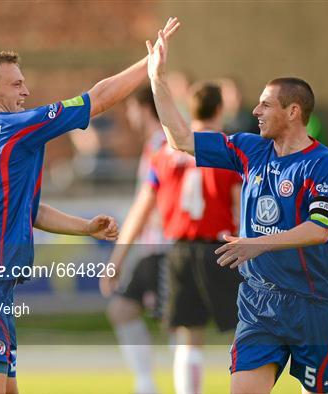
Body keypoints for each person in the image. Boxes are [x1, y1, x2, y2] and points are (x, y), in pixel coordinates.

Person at [0, 17, 180, 394]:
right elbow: (96, 99)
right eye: (15, 84)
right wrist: (147, 68)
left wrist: (84, 227)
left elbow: (27, 210)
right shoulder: (12, 128)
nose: (26, 90)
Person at [146, 30, 328, 394]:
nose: (255, 111)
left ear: (293, 111)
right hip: (260, 304)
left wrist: (259, 244)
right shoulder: (249, 150)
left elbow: (319, 229)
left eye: (265, 105)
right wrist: (157, 80)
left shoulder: (324, 165)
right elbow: (181, 138)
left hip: (315, 307)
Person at [102, 82, 243, 394]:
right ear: (220, 110)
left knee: (188, 338)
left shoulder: (164, 152)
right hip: (224, 248)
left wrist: (117, 259)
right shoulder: (229, 150)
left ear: (187, 112)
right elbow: (239, 205)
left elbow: (141, 208)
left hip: (179, 250)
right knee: (246, 330)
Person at [99, 86, 169, 394]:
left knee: (177, 321)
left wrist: (117, 257)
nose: (129, 116)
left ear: (143, 109)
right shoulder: (157, 144)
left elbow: (150, 204)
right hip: (151, 249)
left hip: (165, 247)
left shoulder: (162, 145)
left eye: (130, 108)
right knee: (123, 309)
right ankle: (146, 384)